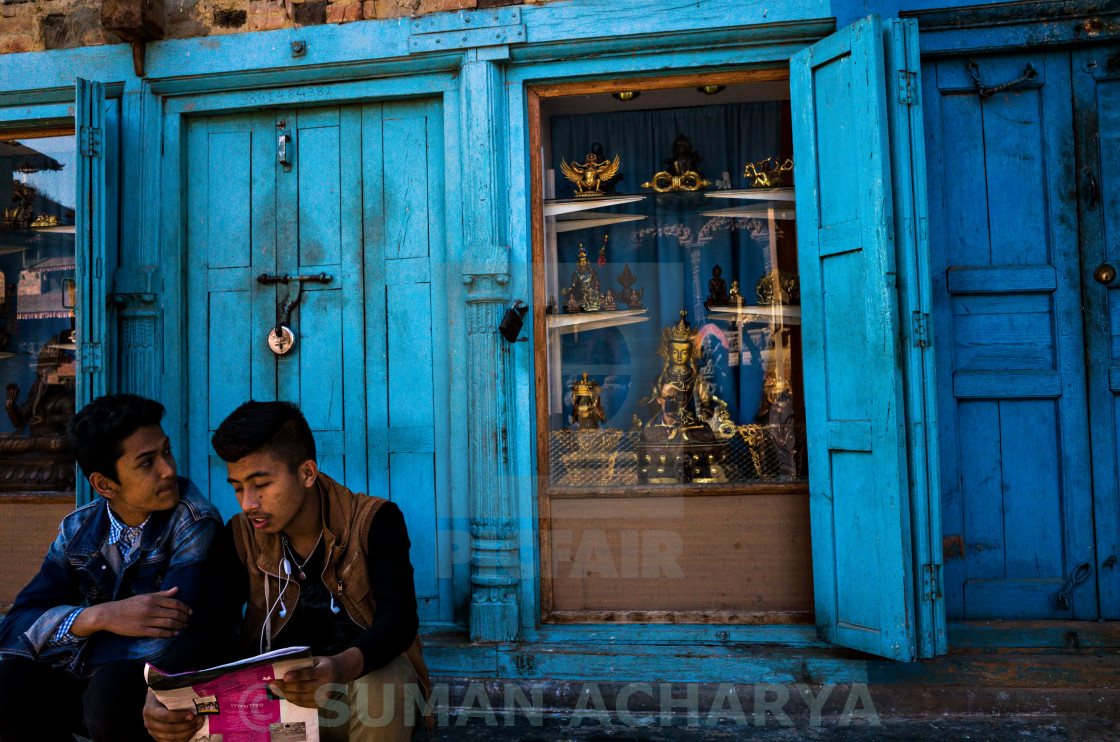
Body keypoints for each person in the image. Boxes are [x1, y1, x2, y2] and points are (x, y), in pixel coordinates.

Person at [143, 400, 431, 742]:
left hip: (354, 693)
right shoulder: (238, 538)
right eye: (237, 487)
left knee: (386, 680)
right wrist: (161, 689)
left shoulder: (373, 521)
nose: (248, 503)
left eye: (261, 484)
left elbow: (399, 621)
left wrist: (341, 666)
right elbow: (211, 627)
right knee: (192, 714)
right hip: (276, 703)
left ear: (307, 473)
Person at [0, 393, 221, 742]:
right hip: (96, 677)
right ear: (105, 485)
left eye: (166, 451)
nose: (168, 469)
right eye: (147, 462)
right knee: (9, 679)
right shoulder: (77, 531)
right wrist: (99, 617)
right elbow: (14, 629)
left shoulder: (193, 520)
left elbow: (171, 637)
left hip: (166, 679)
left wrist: (66, 644)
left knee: (108, 690)